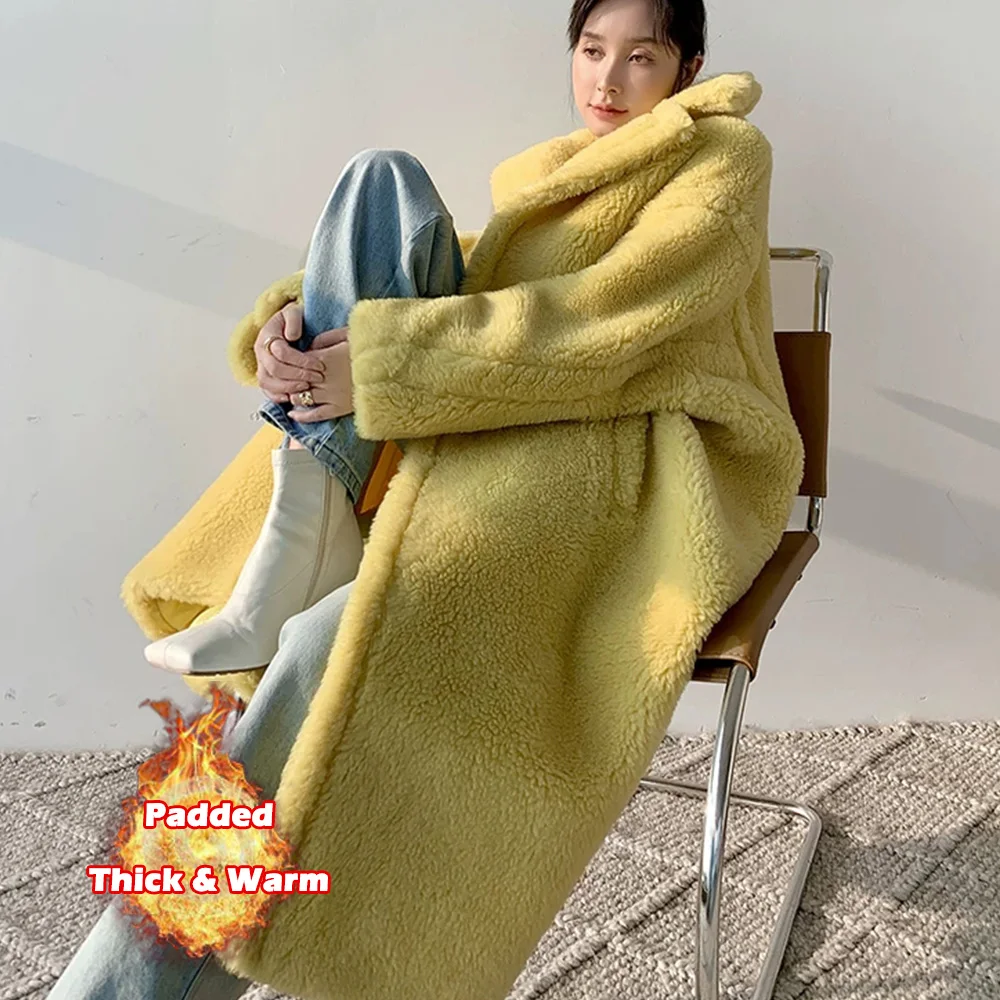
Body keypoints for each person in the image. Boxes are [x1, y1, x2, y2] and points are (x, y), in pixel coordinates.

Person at [52, 0, 802, 996]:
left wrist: (379, 366)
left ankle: (133, 982)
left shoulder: (724, 159)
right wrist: (294, 328)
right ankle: (316, 503)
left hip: (622, 483)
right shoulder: (554, 176)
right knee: (383, 185)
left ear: (688, 67)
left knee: (325, 647)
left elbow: (608, 321)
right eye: (590, 51)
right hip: (495, 446)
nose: (606, 80)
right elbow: (488, 288)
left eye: (640, 57)